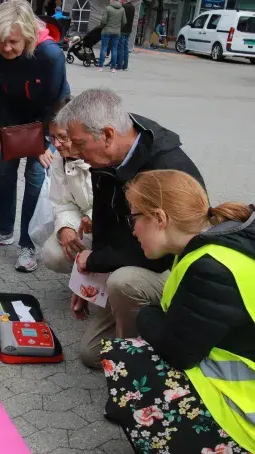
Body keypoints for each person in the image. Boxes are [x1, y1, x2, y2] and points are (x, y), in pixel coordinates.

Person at [101, 169, 255, 453]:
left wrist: (146, 314)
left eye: (134, 217)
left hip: (247, 414)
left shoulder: (211, 267)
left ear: (159, 218)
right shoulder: (218, 245)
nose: (132, 229)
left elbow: (179, 353)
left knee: (127, 357)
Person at [55, 88, 204, 368]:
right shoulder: (108, 152)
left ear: (108, 135)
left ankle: (138, 360)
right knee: (91, 354)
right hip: (133, 256)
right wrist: (87, 282)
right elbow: (102, 218)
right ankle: (126, 313)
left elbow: (160, 256)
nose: (74, 152)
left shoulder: (166, 170)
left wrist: (98, 261)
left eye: (78, 143)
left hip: (166, 270)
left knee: (122, 283)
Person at [0, 0, 70, 272]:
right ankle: (2, 230)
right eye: (1, 41)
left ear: (28, 36)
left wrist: (42, 143)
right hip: (10, 116)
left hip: (46, 116)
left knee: (35, 176)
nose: (7, 48)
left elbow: (55, 102)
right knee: (4, 169)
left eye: (14, 42)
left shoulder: (50, 55)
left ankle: (29, 243)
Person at [43, 96, 93, 274]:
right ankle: (83, 277)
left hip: (108, 225)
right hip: (82, 222)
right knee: (53, 253)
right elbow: (61, 202)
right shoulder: (60, 157)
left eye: (63, 137)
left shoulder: (101, 155)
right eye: (52, 137)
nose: (56, 144)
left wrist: (94, 217)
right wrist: (66, 227)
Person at [98, 0, 126, 73]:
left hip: (107, 31)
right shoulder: (122, 9)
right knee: (114, 49)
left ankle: (100, 66)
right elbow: (124, 22)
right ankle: (113, 68)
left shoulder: (108, 8)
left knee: (104, 48)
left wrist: (101, 27)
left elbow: (103, 21)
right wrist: (119, 28)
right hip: (117, 32)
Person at [117, 0, 134, 71]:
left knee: (120, 47)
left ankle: (119, 65)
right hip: (129, 30)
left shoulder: (123, 7)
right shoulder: (133, 7)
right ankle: (125, 66)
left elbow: (121, 18)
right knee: (126, 47)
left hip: (122, 29)